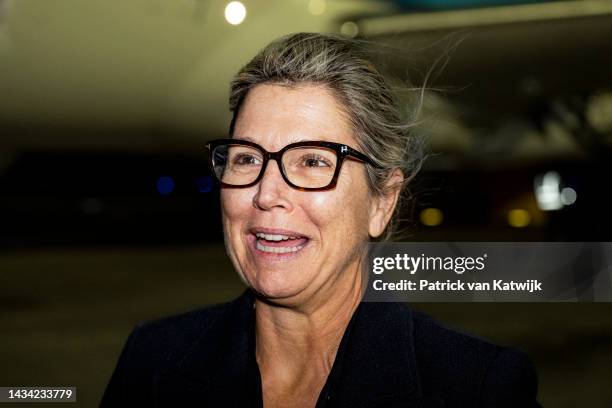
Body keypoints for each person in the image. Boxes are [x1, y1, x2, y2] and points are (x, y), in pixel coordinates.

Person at [101, 32, 540, 407]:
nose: (266, 194)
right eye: (247, 158)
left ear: (381, 202)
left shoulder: (479, 389)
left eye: (312, 161)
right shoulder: (152, 358)